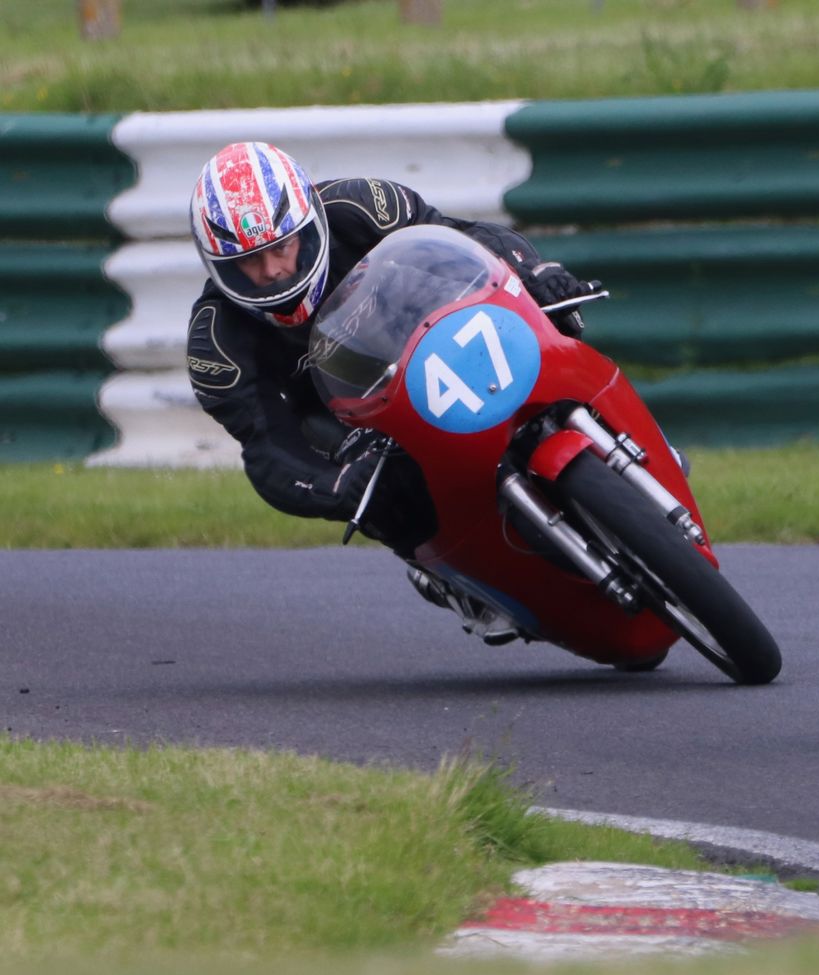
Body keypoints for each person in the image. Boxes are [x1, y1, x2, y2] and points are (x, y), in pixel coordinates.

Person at [186, 141, 600, 641]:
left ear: (308, 224)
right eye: (251, 261)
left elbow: (462, 240)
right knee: (379, 493)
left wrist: (535, 272)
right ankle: (445, 571)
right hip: (350, 417)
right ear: (221, 266)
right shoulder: (216, 344)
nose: (274, 270)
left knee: (554, 320)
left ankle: (609, 430)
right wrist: (334, 486)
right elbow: (267, 445)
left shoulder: (361, 205)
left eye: (282, 246)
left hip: (428, 336)